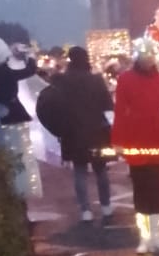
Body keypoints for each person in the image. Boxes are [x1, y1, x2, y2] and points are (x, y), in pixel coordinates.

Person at [112, 43, 159, 255]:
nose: (147, 59)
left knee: (156, 189)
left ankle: (156, 237)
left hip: (158, 137)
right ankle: (144, 237)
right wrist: (118, 141)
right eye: (143, 55)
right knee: (141, 189)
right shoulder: (125, 79)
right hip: (136, 137)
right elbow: (120, 111)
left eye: (150, 55)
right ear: (137, 57)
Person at [35, 46, 115, 222]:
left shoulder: (62, 81)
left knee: (79, 171)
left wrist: (57, 127)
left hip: (73, 132)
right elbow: (108, 105)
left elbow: (49, 102)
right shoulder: (96, 80)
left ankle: (85, 210)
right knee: (101, 170)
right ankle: (106, 206)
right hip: (97, 131)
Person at [0, 36, 42, 201]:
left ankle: (2, 191)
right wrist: (30, 56)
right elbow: (29, 71)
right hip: (13, 115)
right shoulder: (6, 72)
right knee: (18, 157)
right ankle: (18, 191)